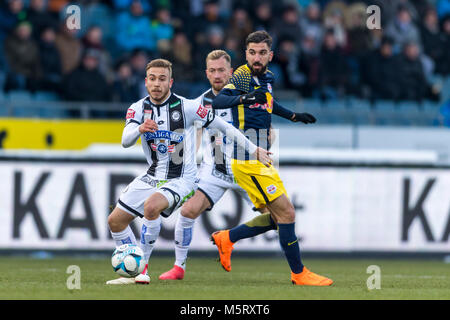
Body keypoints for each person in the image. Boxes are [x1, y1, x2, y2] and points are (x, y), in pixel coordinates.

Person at [105, 58, 271, 284]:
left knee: (151, 207)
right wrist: (140, 129)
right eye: (152, 79)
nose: (156, 84)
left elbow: (223, 126)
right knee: (115, 221)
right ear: (145, 82)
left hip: (182, 177)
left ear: (170, 82)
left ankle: (141, 268)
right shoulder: (137, 108)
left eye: (162, 79)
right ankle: (131, 265)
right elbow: (125, 141)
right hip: (153, 174)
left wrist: (254, 149)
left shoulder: (188, 107)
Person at [211, 30, 333, 286]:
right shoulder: (242, 77)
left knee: (278, 218)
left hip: (260, 158)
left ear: (270, 55)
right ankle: (299, 274)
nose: (257, 58)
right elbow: (219, 101)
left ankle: (228, 238)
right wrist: (244, 98)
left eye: (262, 53)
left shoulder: (266, 77)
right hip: (247, 159)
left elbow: (268, 102)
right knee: (287, 214)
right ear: (246, 54)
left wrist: (293, 116)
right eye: (252, 52)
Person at [158, 50, 271, 280]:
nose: (217, 75)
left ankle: (229, 238)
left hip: (246, 169)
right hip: (216, 170)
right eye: (213, 71)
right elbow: (190, 134)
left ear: (231, 72)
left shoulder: (247, 98)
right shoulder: (201, 103)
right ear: (206, 73)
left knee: (279, 218)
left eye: (222, 70)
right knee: (188, 210)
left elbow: (265, 128)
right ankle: (179, 267)